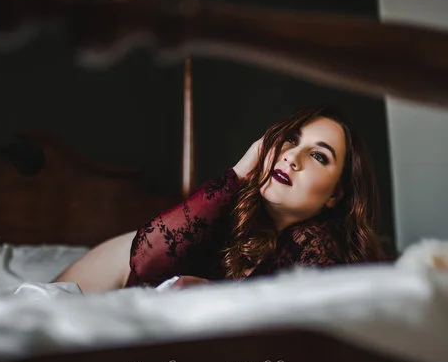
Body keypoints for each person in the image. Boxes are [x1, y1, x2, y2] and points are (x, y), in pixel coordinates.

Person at [54, 105, 386, 292]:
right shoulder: (234, 216)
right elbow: (145, 259)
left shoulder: (320, 246)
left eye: (318, 156)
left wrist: (213, 294)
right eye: (289, 140)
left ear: (335, 195)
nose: (291, 158)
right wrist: (240, 172)